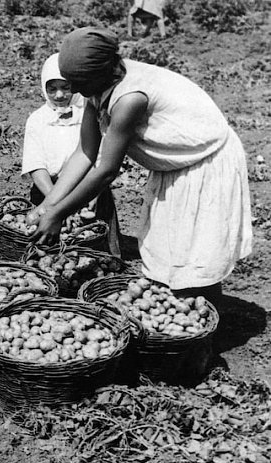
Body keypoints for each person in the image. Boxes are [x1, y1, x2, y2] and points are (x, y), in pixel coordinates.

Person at [30, 27, 252, 302]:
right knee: (166, 250)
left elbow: (106, 171)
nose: (73, 90)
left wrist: (58, 214)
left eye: (77, 82)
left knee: (196, 254)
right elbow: (85, 152)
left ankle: (204, 325)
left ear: (98, 73)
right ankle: (180, 312)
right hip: (173, 165)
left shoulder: (129, 98)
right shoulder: (96, 86)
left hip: (204, 161)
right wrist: (48, 205)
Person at [22, 53, 121, 256]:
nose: (59, 95)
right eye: (52, 89)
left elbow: (101, 155)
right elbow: (36, 166)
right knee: (50, 247)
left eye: (65, 88)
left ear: (75, 86)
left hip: (90, 186)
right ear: (44, 88)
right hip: (48, 189)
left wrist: (92, 190)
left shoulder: (90, 112)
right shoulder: (37, 119)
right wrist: (57, 204)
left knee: (96, 244)